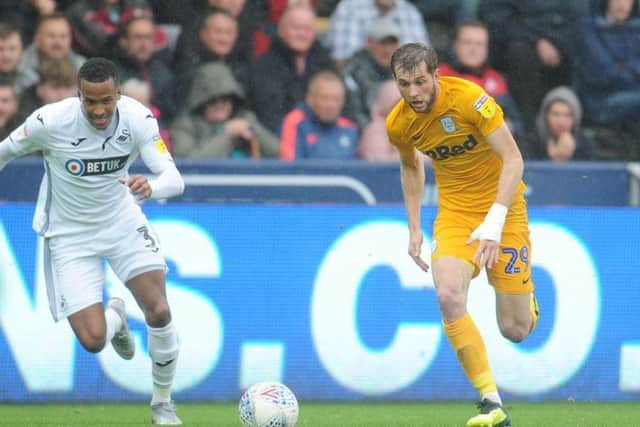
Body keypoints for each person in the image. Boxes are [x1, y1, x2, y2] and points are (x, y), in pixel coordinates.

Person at [0, 57, 184, 425]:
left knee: (159, 310)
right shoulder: (48, 122)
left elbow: (174, 179)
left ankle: (162, 405)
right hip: (69, 237)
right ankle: (114, 317)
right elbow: (4, 152)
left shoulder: (138, 118)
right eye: (90, 102)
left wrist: (152, 186)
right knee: (93, 340)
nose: (99, 110)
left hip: (121, 222)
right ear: (78, 96)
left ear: (118, 95)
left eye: (106, 101)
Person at [386, 43, 539, 427]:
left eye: (421, 81)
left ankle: (527, 298)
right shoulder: (400, 123)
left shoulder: (471, 100)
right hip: (455, 215)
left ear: (436, 74)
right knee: (447, 294)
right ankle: (491, 403)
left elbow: (514, 160)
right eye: (404, 84)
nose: (414, 92)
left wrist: (494, 221)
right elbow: (410, 167)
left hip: (504, 210)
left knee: (515, 329)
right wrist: (414, 227)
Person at [170, 62, 280, 159]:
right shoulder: (184, 127)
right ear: (200, 100)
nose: (220, 105)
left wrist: (253, 128)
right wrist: (227, 135)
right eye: (213, 99)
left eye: (226, 99)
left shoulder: (244, 118)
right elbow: (188, 163)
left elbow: (280, 153)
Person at [280, 70, 358, 160]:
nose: (331, 105)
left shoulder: (349, 128)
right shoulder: (295, 123)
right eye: (325, 98)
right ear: (310, 98)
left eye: (336, 99)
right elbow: (290, 166)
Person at [532, 86, 593, 161]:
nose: (561, 122)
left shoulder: (585, 145)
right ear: (545, 116)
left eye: (568, 115)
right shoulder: (530, 143)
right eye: (555, 114)